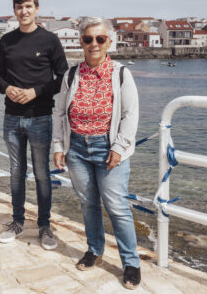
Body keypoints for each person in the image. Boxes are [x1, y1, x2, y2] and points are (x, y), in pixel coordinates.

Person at [52, 17, 141, 290]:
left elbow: (130, 115)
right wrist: (59, 146)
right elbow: (58, 112)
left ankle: (131, 263)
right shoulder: (71, 74)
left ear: (108, 42)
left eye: (99, 39)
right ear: (81, 41)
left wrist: (118, 148)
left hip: (108, 148)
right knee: (88, 203)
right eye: (88, 39)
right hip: (77, 147)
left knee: (116, 206)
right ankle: (95, 249)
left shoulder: (121, 74)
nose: (93, 44)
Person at [0, 0, 68, 249]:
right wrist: (7, 88)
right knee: (16, 172)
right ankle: (17, 221)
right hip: (11, 118)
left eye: (28, 7)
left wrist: (35, 91)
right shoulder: (6, 41)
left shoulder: (49, 40)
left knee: (41, 174)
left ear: (36, 9)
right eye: (19, 7)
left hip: (40, 117)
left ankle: (44, 226)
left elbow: (63, 78)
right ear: (14, 11)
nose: (23, 11)